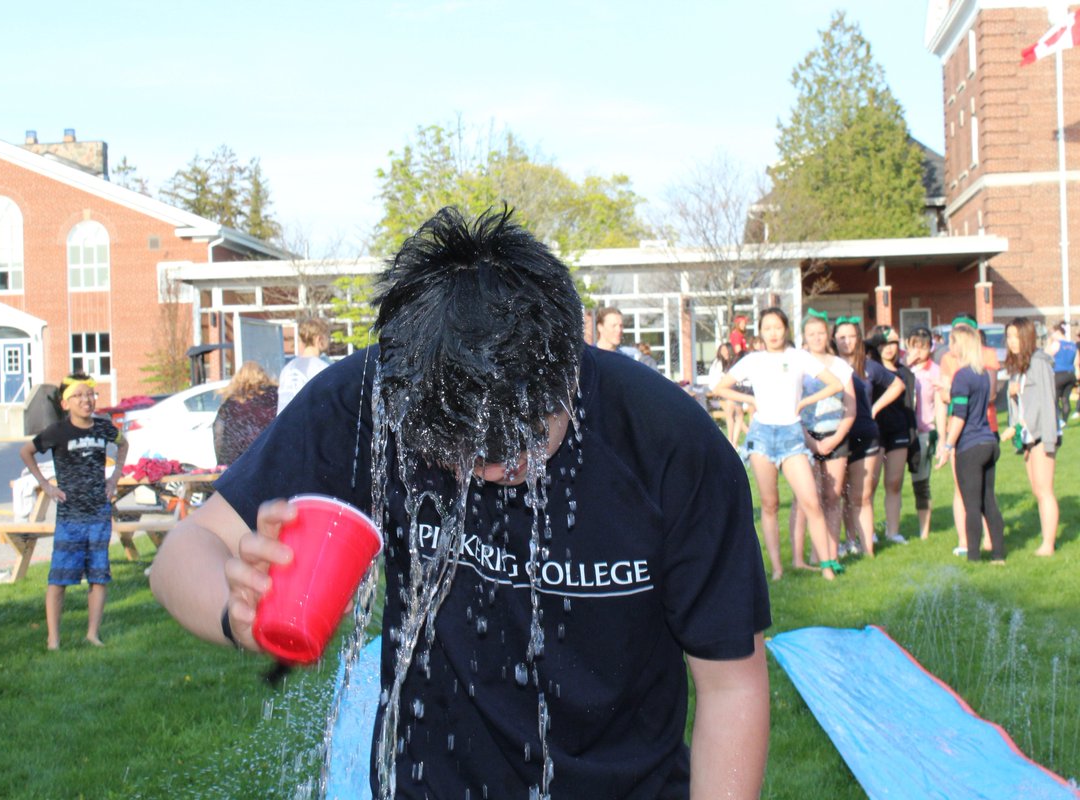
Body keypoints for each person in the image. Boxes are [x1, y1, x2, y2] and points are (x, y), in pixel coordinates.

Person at [151, 207, 771, 799]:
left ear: (571, 368)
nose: (502, 468)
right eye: (468, 451)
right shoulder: (374, 397)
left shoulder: (669, 444)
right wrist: (240, 615)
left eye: (527, 437)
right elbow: (184, 551)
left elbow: (730, 686)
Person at [713, 306, 844, 582]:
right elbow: (720, 387)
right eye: (767, 328)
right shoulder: (753, 360)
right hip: (761, 436)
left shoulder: (798, 357)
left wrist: (806, 401)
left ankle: (827, 567)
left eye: (778, 327)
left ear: (786, 329)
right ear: (761, 332)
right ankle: (776, 570)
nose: (773, 333)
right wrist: (750, 401)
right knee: (770, 505)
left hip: (792, 436)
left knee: (811, 501)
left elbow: (835, 383)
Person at [19, 373, 127, 649]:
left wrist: (114, 478)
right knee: (59, 579)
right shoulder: (58, 432)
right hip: (70, 517)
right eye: (78, 396)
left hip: (99, 514)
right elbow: (26, 451)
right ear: (66, 403)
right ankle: (53, 638)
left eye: (89, 394)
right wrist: (46, 485)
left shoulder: (103, 428)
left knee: (99, 576)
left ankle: (93, 633)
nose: (86, 401)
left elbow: (123, 444)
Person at [789, 311, 855, 570]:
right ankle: (799, 559)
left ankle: (829, 553)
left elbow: (851, 408)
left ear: (828, 334)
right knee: (805, 498)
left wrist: (835, 438)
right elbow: (789, 405)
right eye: (811, 334)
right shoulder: (797, 365)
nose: (817, 338)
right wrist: (809, 439)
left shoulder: (840, 367)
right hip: (803, 436)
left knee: (832, 496)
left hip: (835, 436)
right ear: (804, 337)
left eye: (821, 333)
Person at [935, 324, 1005, 564]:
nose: (949, 347)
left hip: (970, 446)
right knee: (988, 501)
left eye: (952, 342)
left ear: (960, 345)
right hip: (989, 441)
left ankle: (973, 557)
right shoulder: (982, 373)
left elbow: (960, 416)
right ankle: (998, 555)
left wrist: (946, 446)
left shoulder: (962, 376)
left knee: (971, 504)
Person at [833, 318, 890, 557]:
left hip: (865, 434)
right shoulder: (829, 366)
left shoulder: (868, 366)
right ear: (834, 339)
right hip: (838, 436)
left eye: (851, 336)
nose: (846, 341)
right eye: (841, 337)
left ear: (859, 339)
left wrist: (875, 407)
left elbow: (896, 385)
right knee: (842, 494)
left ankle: (868, 550)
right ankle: (849, 540)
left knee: (862, 495)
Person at [1003, 318, 1059, 556]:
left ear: (1027, 337)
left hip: (1042, 435)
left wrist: (1048, 442)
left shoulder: (1039, 364)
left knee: (1045, 490)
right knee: (1037, 490)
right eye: (1009, 337)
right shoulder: (1020, 365)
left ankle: (1048, 545)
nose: (1011, 342)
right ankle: (1046, 539)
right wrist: (1013, 393)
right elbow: (1022, 405)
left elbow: (1047, 403)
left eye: (1016, 337)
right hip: (1028, 437)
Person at [865, 326, 912, 545]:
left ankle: (893, 531)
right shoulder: (869, 369)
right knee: (869, 485)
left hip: (898, 430)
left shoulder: (904, 372)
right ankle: (869, 531)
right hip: (875, 431)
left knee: (894, 482)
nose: (888, 348)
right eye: (883, 343)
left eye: (893, 342)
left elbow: (911, 405)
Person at [904, 328, 944, 540]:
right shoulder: (901, 367)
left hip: (923, 432)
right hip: (901, 432)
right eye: (914, 346)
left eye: (923, 347)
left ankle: (924, 531)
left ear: (930, 348)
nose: (918, 351)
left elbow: (939, 406)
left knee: (920, 481)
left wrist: (940, 437)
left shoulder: (934, 371)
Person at [213, 361, 278, 467]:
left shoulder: (231, 403)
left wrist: (222, 462)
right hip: (268, 461)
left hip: (237, 464)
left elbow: (218, 431)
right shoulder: (274, 397)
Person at [276, 317, 331, 415]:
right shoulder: (322, 368)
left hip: (284, 426)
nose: (329, 341)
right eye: (328, 337)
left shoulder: (287, 368)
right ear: (319, 338)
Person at [708, 342, 746, 446]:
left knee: (738, 413)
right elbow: (714, 380)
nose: (724, 352)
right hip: (722, 393)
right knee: (732, 412)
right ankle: (732, 440)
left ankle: (733, 441)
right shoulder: (718, 363)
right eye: (722, 350)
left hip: (735, 392)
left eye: (725, 350)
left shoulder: (734, 362)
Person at [1048, 321, 1077, 422]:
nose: (1051, 336)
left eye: (1052, 333)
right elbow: (1076, 360)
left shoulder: (1057, 343)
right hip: (1070, 374)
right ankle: (1064, 421)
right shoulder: (1073, 345)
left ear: (1057, 332)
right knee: (1065, 398)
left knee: (1054, 399)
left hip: (1059, 374)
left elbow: (1046, 355)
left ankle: (1056, 420)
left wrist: (1049, 342)